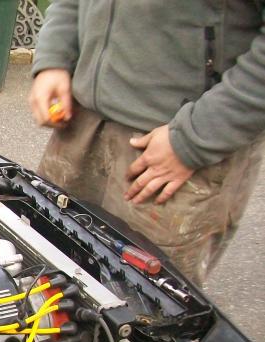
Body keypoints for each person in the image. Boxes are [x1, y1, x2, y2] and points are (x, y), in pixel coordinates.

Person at [28, 0, 265, 285]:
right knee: (42, 270)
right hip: (80, 122)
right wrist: (54, 57)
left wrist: (192, 138)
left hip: (175, 147)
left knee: (139, 297)